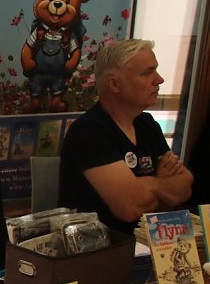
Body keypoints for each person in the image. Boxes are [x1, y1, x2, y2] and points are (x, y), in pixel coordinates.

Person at [59, 39, 193, 233]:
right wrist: (160, 184)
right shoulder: (89, 132)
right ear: (114, 84)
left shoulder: (146, 124)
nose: (159, 79)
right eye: (147, 73)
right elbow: (129, 208)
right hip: (100, 251)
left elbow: (185, 187)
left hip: (148, 243)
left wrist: (147, 186)